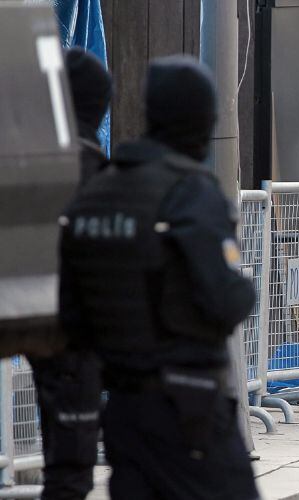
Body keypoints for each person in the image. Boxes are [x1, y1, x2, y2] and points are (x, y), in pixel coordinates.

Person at [58, 55, 259, 499]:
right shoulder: (190, 191)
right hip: (192, 414)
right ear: (200, 120)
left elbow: (71, 318)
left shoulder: (96, 194)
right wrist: (245, 288)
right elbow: (224, 300)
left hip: (124, 415)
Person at [28, 47, 111, 500]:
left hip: (33, 320)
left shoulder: (24, 169)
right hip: (73, 338)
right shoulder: (99, 177)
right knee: (70, 470)